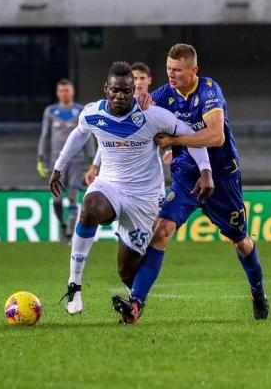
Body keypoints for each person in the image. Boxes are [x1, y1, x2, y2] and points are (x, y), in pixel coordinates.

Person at [113, 44, 269, 323]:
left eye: (177, 70)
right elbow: (131, 116)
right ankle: (136, 304)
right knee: (162, 230)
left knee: (241, 242)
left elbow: (216, 136)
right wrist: (139, 104)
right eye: (168, 69)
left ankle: (257, 290)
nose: (171, 75)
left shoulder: (209, 91)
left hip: (222, 175)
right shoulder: (162, 96)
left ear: (194, 70)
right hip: (186, 173)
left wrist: (174, 141)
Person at [49, 61, 214, 317]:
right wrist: (59, 166)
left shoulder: (152, 115)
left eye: (126, 91)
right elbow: (79, 134)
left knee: (126, 271)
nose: (121, 95)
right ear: (107, 89)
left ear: (132, 91)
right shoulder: (92, 113)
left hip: (144, 197)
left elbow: (189, 133)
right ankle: (74, 285)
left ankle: (135, 301)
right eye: (116, 90)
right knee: (89, 208)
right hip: (110, 185)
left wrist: (206, 170)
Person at [84, 62, 172, 206]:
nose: (138, 82)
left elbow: (169, 132)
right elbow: (108, 138)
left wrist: (170, 149)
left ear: (149, 80)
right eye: (135, 78)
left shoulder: (156, 107)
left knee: (157, 220)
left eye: (142, 78)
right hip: (120, 176)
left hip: (148, 175)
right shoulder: (117, 107)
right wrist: (95, 166)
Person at [37, 79, 96, 243]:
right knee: (56, 199)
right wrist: (41, 158)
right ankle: (62, 224)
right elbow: (45, 136)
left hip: (77, 160)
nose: (64, 93)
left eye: (67, 90)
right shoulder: (50, 111)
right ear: (57, 93)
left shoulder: (80, 110)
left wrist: (91, 160)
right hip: (57, 162)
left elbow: (87, 136)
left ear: (72, 92)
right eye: (61, 90)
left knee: (73, 196)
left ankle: (69, 234)